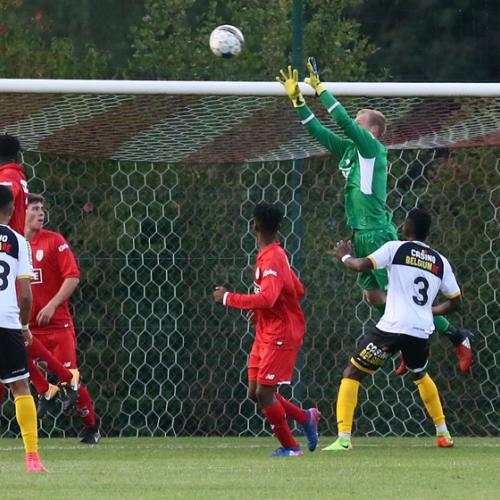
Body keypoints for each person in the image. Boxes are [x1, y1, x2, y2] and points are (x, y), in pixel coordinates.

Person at [276, 61, 472, 374]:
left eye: (358, 121)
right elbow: (318, 131)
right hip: (362, 233)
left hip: (379, 234)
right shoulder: (349, 151)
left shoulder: (372, 149)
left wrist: (321, 89)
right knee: (373, 297)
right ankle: (410, 340)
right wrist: (299, 101)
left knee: (400, 297)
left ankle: (456, 335)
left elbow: (341, 121)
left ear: (372, 131)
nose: (352, 123)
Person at [324, 208, 460, 451]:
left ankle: (343, 439)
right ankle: (443, 433)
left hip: (392, 328)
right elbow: (455, 302)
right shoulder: (440, 261)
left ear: (407, 227)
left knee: (352, 373)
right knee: (419, 374)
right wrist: (430, 310)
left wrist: (344, 256)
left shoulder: (396, 248)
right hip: (420, 331)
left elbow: (362, 265)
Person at [213, 203, 320, 457]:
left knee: (264, 393)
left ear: (255, 227)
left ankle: (291, 447)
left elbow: (269, 297)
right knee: (255, 392)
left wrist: (228, 297)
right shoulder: (275, 255)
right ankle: (305, 418)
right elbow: (298, 290)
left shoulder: (272, 257)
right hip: (266, 330)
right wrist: (262, 312)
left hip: (280, 333)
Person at [0, 134, 80, 413]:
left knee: (13, 331)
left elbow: (6, 198)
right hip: (12, 247)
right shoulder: (14, 173)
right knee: (15, 333)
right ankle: (55, 383)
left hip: (8, 248)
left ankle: (57, 382)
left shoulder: (8, 176)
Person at [25, 194, 100, 444]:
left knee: (70, 380)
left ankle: (91, 427)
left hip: (57, 325)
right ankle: (44, 391)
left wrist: (52, 304)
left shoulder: (54, 241)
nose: (40, 213)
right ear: (20, 213)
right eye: (34, 209)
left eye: (42, 209)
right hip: (28, 329)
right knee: (13, 365)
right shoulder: (12, 243)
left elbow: (73, 277)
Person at [0, 185, 47, 472]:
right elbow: (26, 295)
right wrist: (25, 326)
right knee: (20, 387)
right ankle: (32, 458)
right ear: (13, 210)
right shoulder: (18, 241)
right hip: (7, 322)